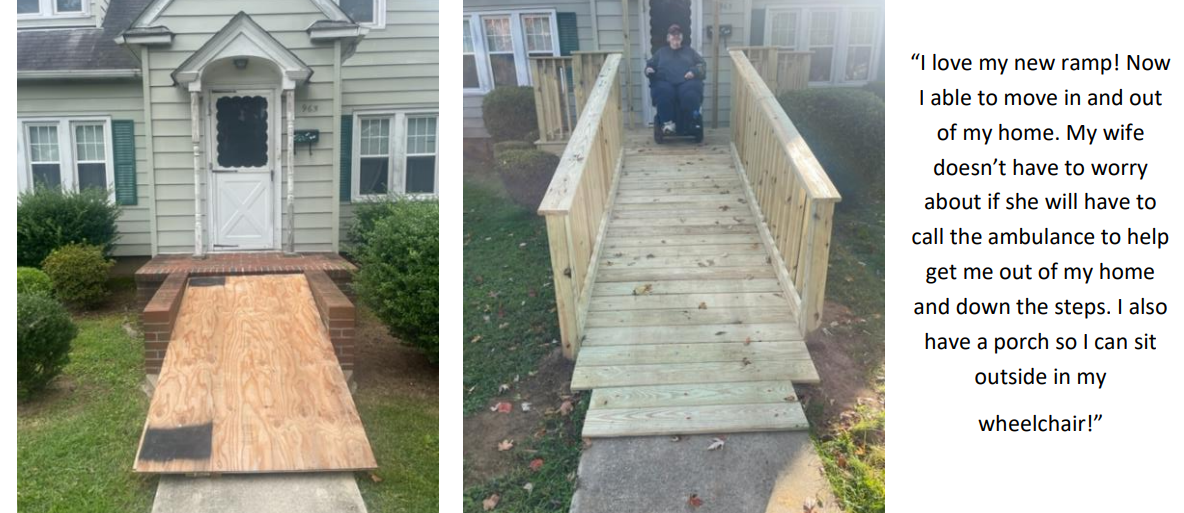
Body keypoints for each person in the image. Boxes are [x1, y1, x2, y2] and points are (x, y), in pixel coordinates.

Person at [645, 24, 706, 135]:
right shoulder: (661, 52)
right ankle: (668, 123)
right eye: (673, 35)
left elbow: (701, 64)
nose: (676, 37)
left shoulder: (690, 52)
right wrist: (649, 69)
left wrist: (694, 71)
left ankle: (691, 123)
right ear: (668, 38)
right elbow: (650, 64)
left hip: (686, 82)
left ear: (682, 37)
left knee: (691, 93)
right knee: (661, 92)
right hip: (666, 82)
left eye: (678, 35)